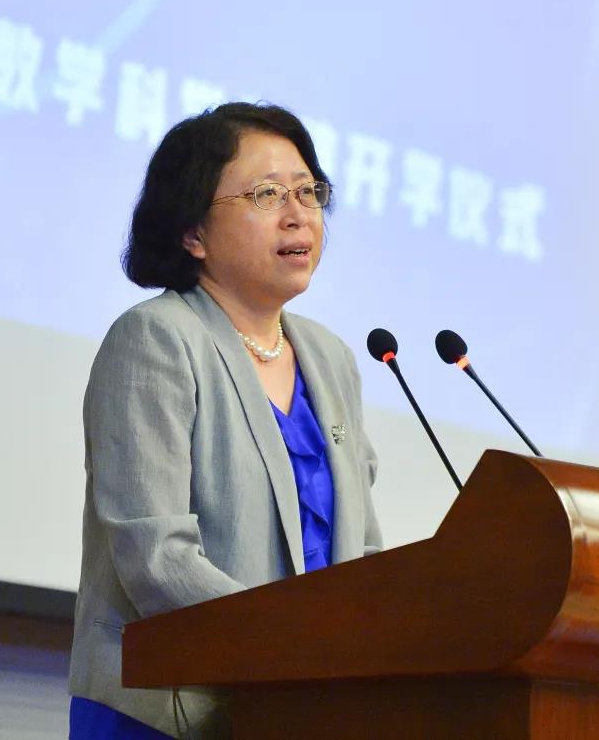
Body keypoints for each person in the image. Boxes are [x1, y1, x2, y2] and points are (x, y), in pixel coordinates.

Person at [67, 102, 383, 738]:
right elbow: (157, 559)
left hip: (301, 710)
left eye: (308, 192)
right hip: (168, 712)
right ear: (194, 233)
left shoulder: (331, 359)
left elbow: (363, 552)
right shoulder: (156, 339)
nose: (298, 214)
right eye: (266, 194)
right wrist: (296, 646)